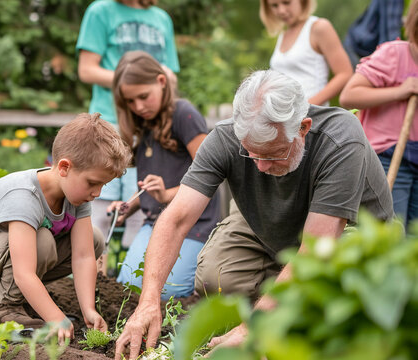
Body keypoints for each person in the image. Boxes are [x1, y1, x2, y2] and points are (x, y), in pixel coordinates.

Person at [115, 70, 394, 360]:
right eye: (251, 153)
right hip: (270, 224)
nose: (260, 167)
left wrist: (252, 327)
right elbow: (175, 220)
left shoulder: (340, 140)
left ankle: (283, 314)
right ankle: (280, 299)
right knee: (216, 277)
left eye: (272, 154)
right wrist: (148, 301)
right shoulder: (226, 137)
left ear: (303, 128)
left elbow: (315, 249)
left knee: (331, 312)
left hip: (345, 240)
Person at [0, 113, 131, 342]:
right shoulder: (24, 196)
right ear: (65, 167)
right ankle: (5, 308)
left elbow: (84, 256)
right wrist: (56, 317)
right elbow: (24, 272)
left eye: (102, 185)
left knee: (94, 238)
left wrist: (88, 310)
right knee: (42, 239)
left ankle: (25, 301)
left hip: (12, 256)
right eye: (92, 183)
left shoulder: (77, 196)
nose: (97, 193)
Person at [109, 51, 220, 299]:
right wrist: (130, 206)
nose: (138, 106)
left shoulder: (184, 114)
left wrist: (167, 194)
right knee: (128, 287)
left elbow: (212, 173)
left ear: (161, 82)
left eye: (143, 97)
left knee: (168, 291)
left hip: (193, 224)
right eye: (130, 101)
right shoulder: (145, 123)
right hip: (156, 222)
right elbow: (152, 190)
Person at [76, 0, 180, 250]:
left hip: (148, 129)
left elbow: (170, 75)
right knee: (99, 207)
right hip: (110, 123)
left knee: (140, 204)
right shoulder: (100, 12)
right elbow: (87, 70)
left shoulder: (161, 18)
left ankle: (128, 282)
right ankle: (94, 281)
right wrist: (134, 83)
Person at [340, 0, 418, 229]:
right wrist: (401, 90)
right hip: (388, 156)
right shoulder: (395, 53)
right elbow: (349, 95)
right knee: (390, 232)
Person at [261, 0, 353, 105]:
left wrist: (307, 106)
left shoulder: (319, 27)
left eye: (286, 2)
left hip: (313, 115)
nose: (281, 10)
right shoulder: (283, 35)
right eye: (274, 6)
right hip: (287, 115)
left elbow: (344, 74)